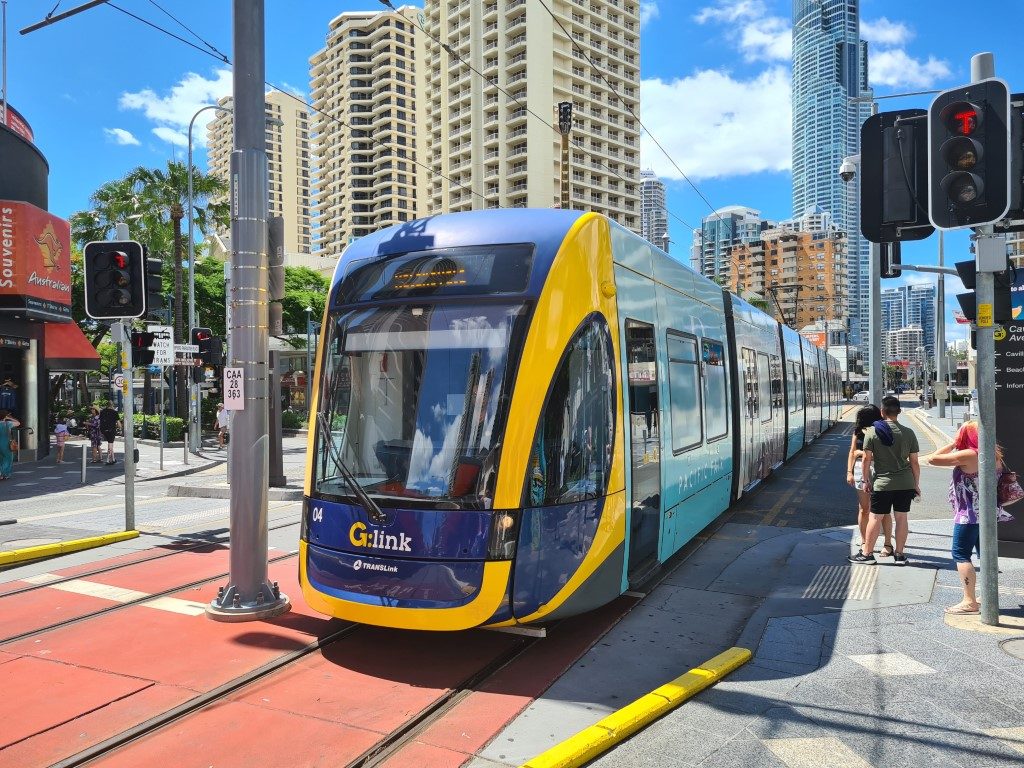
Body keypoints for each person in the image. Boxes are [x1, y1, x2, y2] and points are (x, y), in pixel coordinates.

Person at [922, 421, 1002, 614]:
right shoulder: (995, 455)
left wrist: (953, 443)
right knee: (985, 556)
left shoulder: (969, 455)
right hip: (988, 515)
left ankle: (969, 601)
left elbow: (933, 459)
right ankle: (988, 595)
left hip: (968, 516)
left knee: (961, 555)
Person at [849, 395, 921, 566]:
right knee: (902, 518)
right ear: (899, 412)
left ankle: (867, 554)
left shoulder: (872, 432)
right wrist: (915, 484)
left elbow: (866, 460)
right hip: (905, 482)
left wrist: (866, 480)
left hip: (882, 483)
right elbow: (915, 463)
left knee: (875, 517)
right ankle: (900, 554)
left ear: (882, 412)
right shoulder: (909, 433)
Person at [847, 405, 893, 557]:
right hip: (860, 469)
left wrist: (862, 453)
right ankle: (864, 539)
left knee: (884, 510)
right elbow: (852, 452)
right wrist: (849, 472)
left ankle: (887, 543)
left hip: (880, 469)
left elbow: (884, 453)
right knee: (864, 508)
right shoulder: (858, 432)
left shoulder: (883, 429)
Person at [0, 409, 21, 480]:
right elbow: (18, 423)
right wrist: (9, 417)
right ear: (5, 416)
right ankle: (5, 474)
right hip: (6, 443)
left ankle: (1, 474)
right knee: (8, 458)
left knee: (1, 459)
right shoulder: (7, 423)